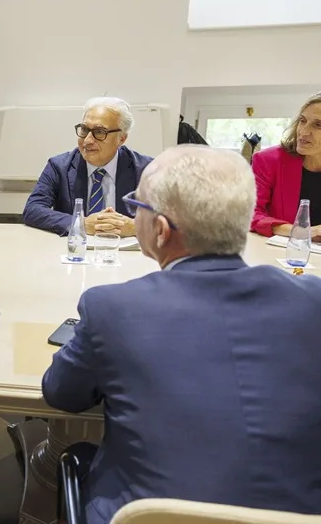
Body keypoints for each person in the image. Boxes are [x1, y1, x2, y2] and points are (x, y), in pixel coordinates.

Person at [42, 145, 321, 524]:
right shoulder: (313, 300)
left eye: (136, 206)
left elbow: (62, 393)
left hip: (141, 515)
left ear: (160, 230)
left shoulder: (112, 307)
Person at [22, 97, 152, 237]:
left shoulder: (147, 169)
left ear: (121, 138)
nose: (88, 140)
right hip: (75, 247)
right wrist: (80, 224)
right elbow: (32, 210)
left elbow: (169, 217)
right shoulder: (59, 166)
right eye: (84, 129)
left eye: (100, 132)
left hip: (126, 249)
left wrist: (136, 227)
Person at [251, 92, 321, 240]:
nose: (303, 131)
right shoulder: (268, 161)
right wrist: (300, 231)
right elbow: (250, 213)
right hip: (278, 250)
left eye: (318, 125)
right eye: (302, 121)